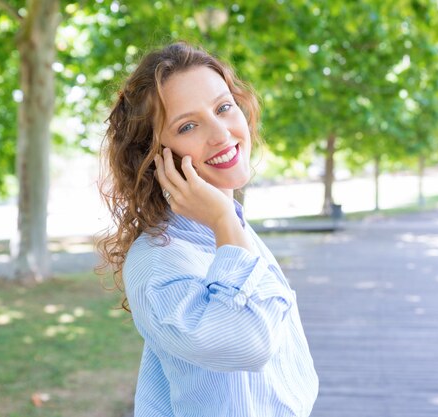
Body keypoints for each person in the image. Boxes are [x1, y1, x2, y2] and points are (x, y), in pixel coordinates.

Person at [97, 42, 318, 417]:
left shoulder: (228, 228)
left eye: (223, 107)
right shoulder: (158, 261)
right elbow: (249, 342)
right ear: (152, 155)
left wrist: (225, 221)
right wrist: (223, 220)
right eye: (188, 126)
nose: (221, 134)